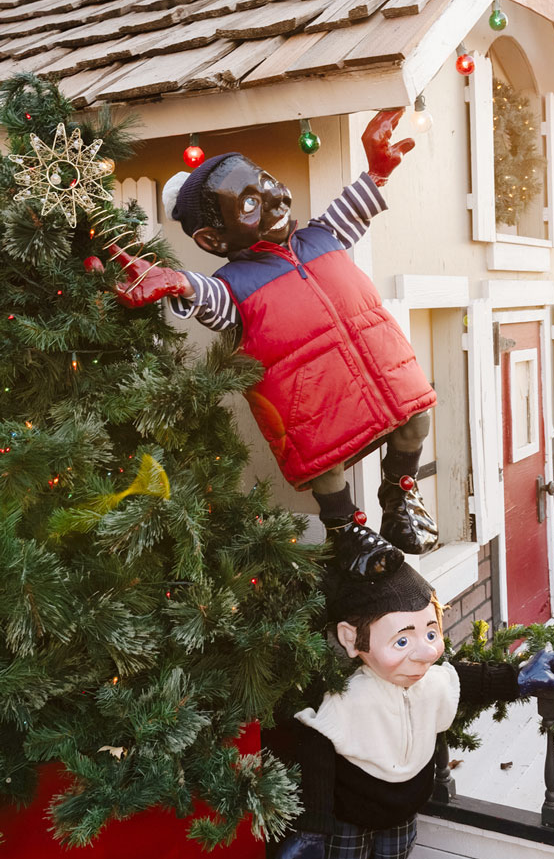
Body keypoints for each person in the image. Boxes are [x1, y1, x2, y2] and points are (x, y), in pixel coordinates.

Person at [104, 110, 437, 578]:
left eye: (268, 182)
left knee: (416, 415)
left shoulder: (321, 236)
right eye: (248, 204)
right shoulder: (235, 284)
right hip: (312, 401)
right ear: (212, 237)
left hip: (382, 374)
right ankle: (345, 529)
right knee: (327, 459)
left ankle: (398, 489)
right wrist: (178, 281)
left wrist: (377, 172)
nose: (276, 199)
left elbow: (354, 207)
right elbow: (211, 299)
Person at [264, 563, 554, 859]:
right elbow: (316, 753)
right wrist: (312, 831)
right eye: (402, 641)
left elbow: (465, 679)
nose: (425, 653)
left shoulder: (429, 680)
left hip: (402, 810)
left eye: (431, 634)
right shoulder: (344, 699)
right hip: (350, 815)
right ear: (352, 639)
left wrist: (518, 678)